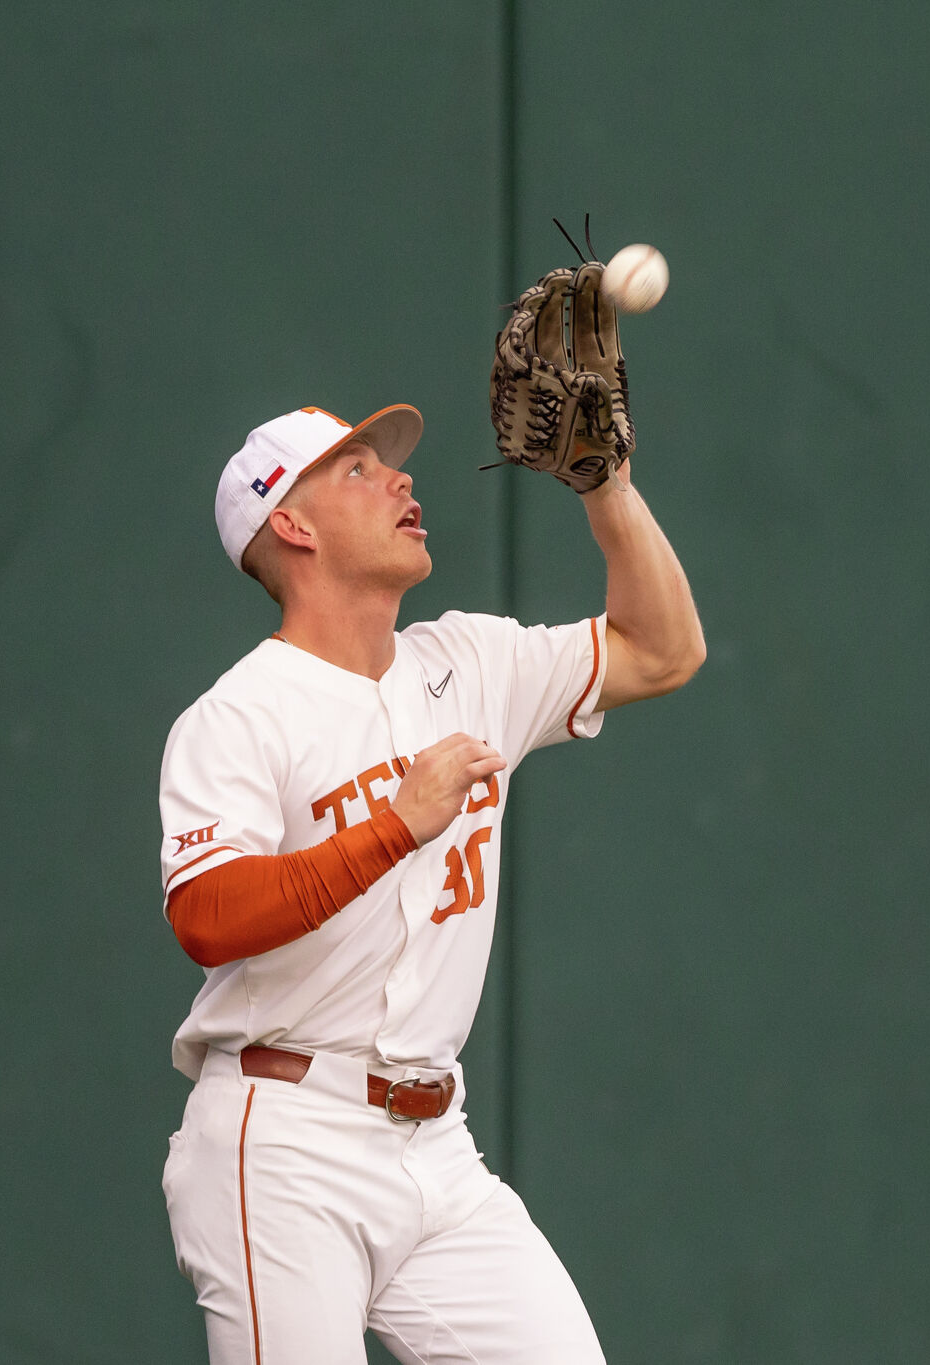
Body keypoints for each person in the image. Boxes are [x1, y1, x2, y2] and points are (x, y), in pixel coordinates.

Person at [155, 399, 703, 1365]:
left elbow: (663, 650)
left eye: (390, 464)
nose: (404, 480)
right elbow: (206, 913)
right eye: (359, 470)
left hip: (435, 1146)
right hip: (284, 1141)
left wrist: (605, 487)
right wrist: (394, 826)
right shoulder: (237, 716)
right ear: (292, 522)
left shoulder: (469, 661)